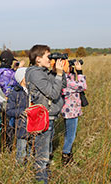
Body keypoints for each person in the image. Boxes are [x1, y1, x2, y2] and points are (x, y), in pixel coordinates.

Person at [25, 45, 66, 183]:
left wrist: (57, 72)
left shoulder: (44, 71)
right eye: (48, 56)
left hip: (50, 117)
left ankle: (45, 176)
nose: (50, 59)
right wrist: (58, 75)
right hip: (43, 118)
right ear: (38, 59)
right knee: (42, 155)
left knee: (46, 151)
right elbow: (54, 94)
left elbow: (62, 85)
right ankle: (42, 179)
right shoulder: (36, 74)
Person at [61, 61, 87, 166]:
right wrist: (79, 71)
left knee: (68, 135)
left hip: (69, 111)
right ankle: (66, 158)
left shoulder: (63, 78)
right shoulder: (66, 81)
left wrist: (71, 70)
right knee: (70, 136)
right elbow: (83, 86)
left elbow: (71, 79)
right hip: (71, 112)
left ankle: (69, 156)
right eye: (68, 65)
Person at [6, 67, 30, 163]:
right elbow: (9, 110)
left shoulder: (33, 90)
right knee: (21, 150)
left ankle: (30, 167)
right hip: (21, 126)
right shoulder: (15, 93)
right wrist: (22, 112)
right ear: (22, 79)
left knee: (31, 150)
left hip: (33, 126)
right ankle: (19, 167)